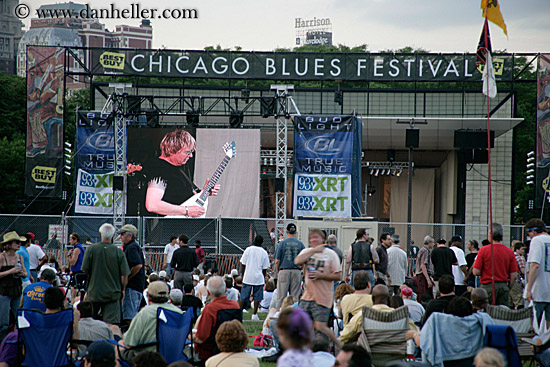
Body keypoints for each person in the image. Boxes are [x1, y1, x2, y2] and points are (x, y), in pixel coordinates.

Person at [142, 129, 220, 216]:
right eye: (187, 152)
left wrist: (203, 193)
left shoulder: (181, 167)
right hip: (166, 227)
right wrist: (186, 210)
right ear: (172, 150)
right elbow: (152, 205)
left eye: (191, 152)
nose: (190, 156)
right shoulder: (159, 168)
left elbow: (182, 199)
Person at [294, 229, 342, 348]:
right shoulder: (306, 252)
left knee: (320, 327)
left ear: (323, 240)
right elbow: (297, 261)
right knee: (302, 324)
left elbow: (338, 275)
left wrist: (321, 276)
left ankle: (340, 346)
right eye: (311, 238)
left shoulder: (331, 254)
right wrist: (314, 250)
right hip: (307, 296)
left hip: (322, 297)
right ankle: (307, 349)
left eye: (316, 237)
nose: (313, 240)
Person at [121, 281, 182, 363]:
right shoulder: (179, 313)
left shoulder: (145, 313)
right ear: (168, 297)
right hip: (173, 357)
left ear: (148, 297)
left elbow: (129, 343)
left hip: (147, 359)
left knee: (119, 346)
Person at [81, 223, 131, 325]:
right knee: (111, 324)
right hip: (112, 293)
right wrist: (123, 289)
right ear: (113, 235)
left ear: (100, 234)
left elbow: (85, 269)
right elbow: (124, 275)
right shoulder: (118, 252)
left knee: (90, 322)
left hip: (94, 292)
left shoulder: (91, 249)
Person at [340, 284, 419, 344]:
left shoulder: (363, 315)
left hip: (369, 359)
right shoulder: (400, 315)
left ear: (372, 299)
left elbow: (344, 337)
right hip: (394, 359)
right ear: (388, 299)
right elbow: (418, 334)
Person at [194, 276, 240, 362]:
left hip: (210, 353)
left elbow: (201, 337)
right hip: (233, 348)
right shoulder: (235, 306)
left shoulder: (210, 309)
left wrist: (191, 335)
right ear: (225, 290)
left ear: (208, 292)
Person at [473, 223, 518, 307]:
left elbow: (476, 271)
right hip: (503, 286)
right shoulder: (509, 252)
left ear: (490, 234)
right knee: (503, 313)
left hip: (488, 286)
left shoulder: (483, 250)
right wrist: (508, 287)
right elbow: (514, 275)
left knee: (487, 312)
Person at [0, 231, 27, 341]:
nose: (19, 244)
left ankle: (16, 340)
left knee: (17, 316)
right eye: (16, 242)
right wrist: (10, 271)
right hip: (4, 291)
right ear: (9, 244)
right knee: (3, 320)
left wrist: (21, 273)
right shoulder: (2, 257)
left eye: (20, 242)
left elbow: (25, 274)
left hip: (16, 289)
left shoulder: (19, 257)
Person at [525, 218, 550, 327]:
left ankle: (536, 343)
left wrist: (529, 288)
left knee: (535, 324)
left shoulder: (536, 241)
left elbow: (535, 265)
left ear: (533, 231)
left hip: (539, 290)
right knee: (548, 326)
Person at [274, 223, 305, 310]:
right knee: (295, 296)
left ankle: (279, 314)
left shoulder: (282, 243)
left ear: (286, 231)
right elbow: (304, 260)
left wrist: (278, 271)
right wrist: (301, 269)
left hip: (284, 270)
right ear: (295, 232)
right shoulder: (300, 244)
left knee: (281, 295)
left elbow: (277, 260)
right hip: (296, 271)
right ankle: (294, 314)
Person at [119, 224, 145, 325]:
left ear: (129, 236)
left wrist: (127, 278)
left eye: (122, 234)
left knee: (129, 316)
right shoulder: (132, 246)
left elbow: (138, 265)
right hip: (136, 287)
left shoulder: (132, 248)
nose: (120, 237)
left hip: (132, 287)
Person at [239, 235, 270, 321]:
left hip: (247, 276)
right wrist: (263, 277)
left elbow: (243, 263)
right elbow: (265, 268)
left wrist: (242, 275)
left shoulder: (248, 249)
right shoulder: (264, 252)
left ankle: (239, 312)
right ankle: (254, 314)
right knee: (257, 297)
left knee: (243, 297)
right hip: (259, 277)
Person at [415, 235, 435, 300]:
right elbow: (423, 265)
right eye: (432, 242)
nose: (433, 244)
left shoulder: (422, 250)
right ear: (429, 242)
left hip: (422, 275)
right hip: (422, 276)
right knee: (424, 295)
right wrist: (428, 280)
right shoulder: (425, 251)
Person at [68, 232, 86, 302]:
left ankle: (73, 302)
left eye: (71, 239)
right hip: (81, 271)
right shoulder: (82, 248)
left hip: (77, 272)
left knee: (73, 289)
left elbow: (73, 262)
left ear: (75, 240)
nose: (70, 241)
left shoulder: (77, 250)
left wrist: (69, 255)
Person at [510, 241, 526, 309]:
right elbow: (523, 271)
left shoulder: (511, 256)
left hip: (509, 280)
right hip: (516, 281)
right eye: (522, 249)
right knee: (519, 301)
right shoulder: (519, 258)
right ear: (517, 249)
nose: (523, 251)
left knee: (510, 301)